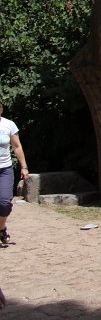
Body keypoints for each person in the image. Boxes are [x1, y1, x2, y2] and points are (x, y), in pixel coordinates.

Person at [0, 103, 29, 247]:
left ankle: (1, 228)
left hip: (4, 169)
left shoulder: (9, 125)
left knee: (4, 203)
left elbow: (17, 147)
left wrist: (24, 167)